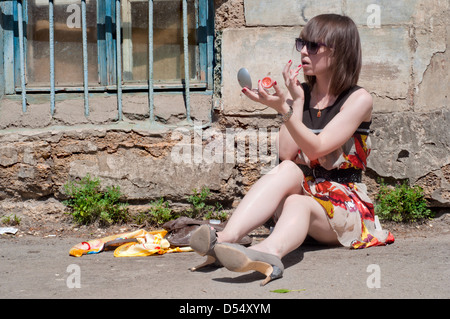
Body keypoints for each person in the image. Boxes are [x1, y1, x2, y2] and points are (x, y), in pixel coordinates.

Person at [189, 13, 395, 286]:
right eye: (302, 44)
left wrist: (284, 110)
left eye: (314, 46)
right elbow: (287, 153)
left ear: (339, 52)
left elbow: (318, 147)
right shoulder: (301, 95)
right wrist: (294, 105)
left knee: (298, 201)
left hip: (343, 206)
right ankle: (224, 240)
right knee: (286, 168)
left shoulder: (359, 99)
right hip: (308, 197)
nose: (304, 52)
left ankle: (269, 254)